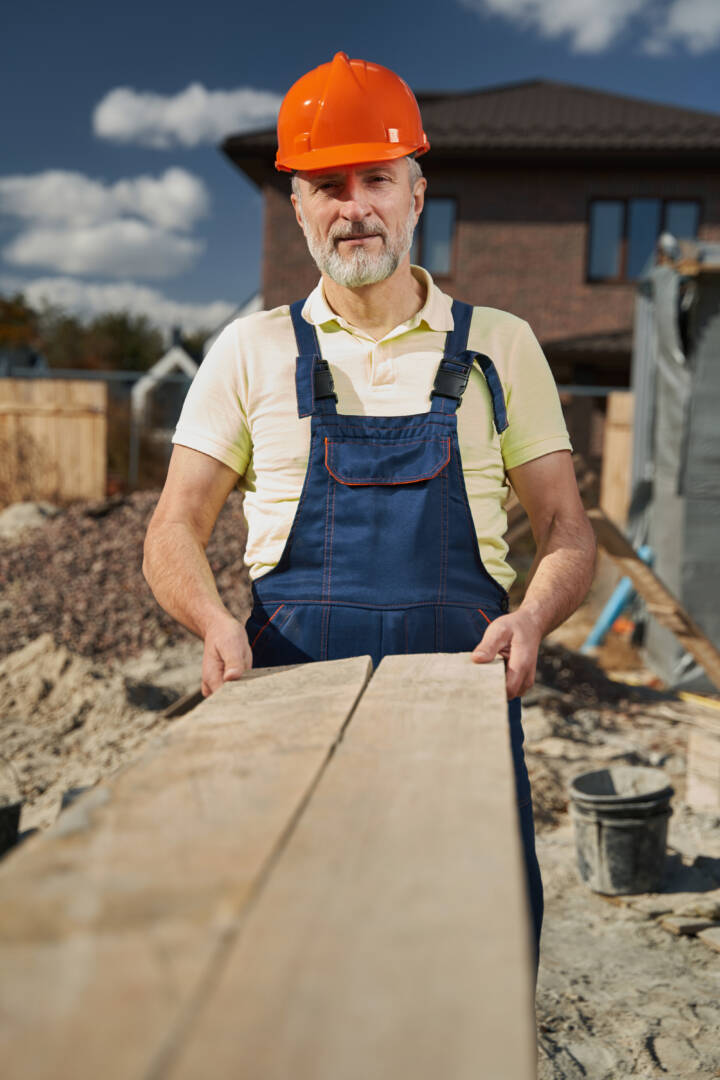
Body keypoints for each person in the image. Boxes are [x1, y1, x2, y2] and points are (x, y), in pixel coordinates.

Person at [143, 52, 596, 963]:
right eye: (328, 185)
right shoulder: (250, 351)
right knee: (287, 967)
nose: (355, 205)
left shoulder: (502, 347)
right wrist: (212, 620)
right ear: (300, 207)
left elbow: (565, 532)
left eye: (376, 178)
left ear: (416, 193)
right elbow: (172, 529)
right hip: (284, 709)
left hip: (459, 713)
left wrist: (535, 616)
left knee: (471, 964)